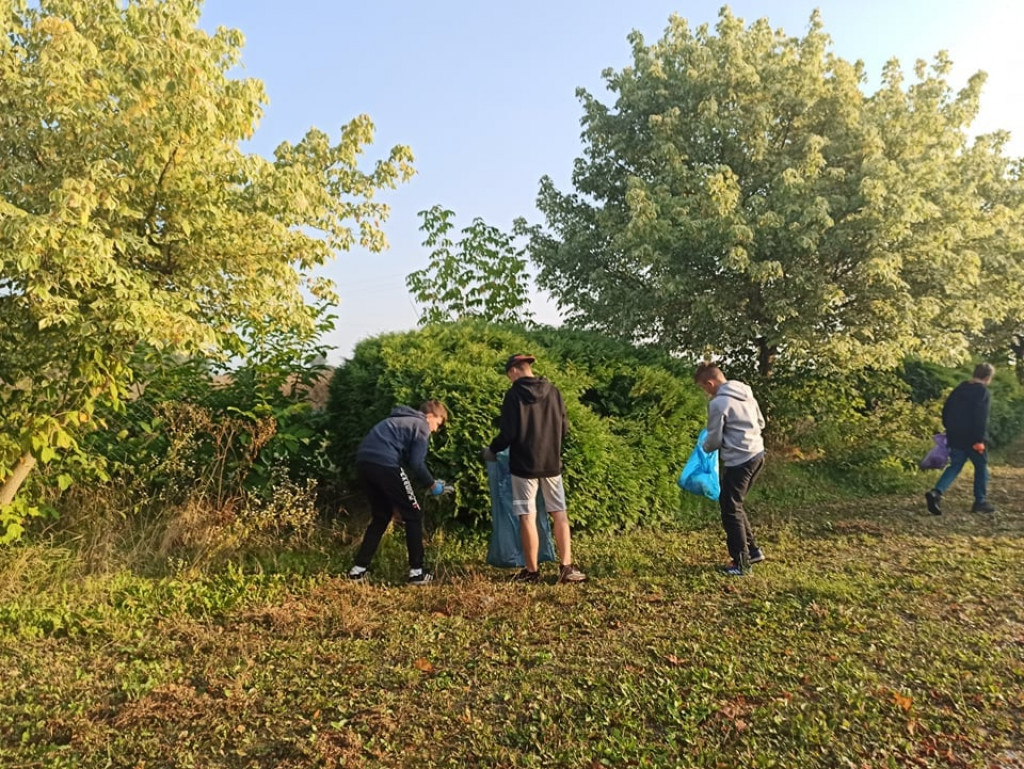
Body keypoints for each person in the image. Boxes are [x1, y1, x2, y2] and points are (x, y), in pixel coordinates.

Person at [483, 354, 586, 584]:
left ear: (514, 371)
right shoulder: (554, 391)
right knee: (559, 513)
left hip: (523, 467)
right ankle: (567, 568)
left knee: (527, 517)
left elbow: (508, 434)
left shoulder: (513, 395)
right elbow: (564, 428)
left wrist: (492, 449)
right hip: (551, 465)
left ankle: (532, 572)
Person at [347, 400, 449, 585]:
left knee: (381, 515)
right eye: (438, 424)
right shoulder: (421, 425)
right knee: (413, 515)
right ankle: (416, 573)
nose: (435, 430)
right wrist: (432, 485)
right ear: (430, 416)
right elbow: (417, 463)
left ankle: (358, 570)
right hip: (386, 464)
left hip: (364, 463)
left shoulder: (396, 420)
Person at [695, 363, 766, 576]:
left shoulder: (718, 403)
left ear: (710, 383)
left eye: (703, 387)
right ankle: (752, 551)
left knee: (729, 510)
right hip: (757, 454)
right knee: (734, 504)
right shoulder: (745, 390)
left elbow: (714, 439)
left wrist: (703, 448)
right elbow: (760, 422)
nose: (704, 392)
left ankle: (741, 564)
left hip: (739, 461)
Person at [925, 363, 996, 515]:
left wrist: (950, 429)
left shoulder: (959, 389)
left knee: (955, 466)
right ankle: (980, 502)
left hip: (955, 436)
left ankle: (936, 493)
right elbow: (980, 417)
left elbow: (946, 410)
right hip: (973, 439)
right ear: (987, 377)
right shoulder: (982, 392)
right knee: (981, 468)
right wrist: (979, 439)